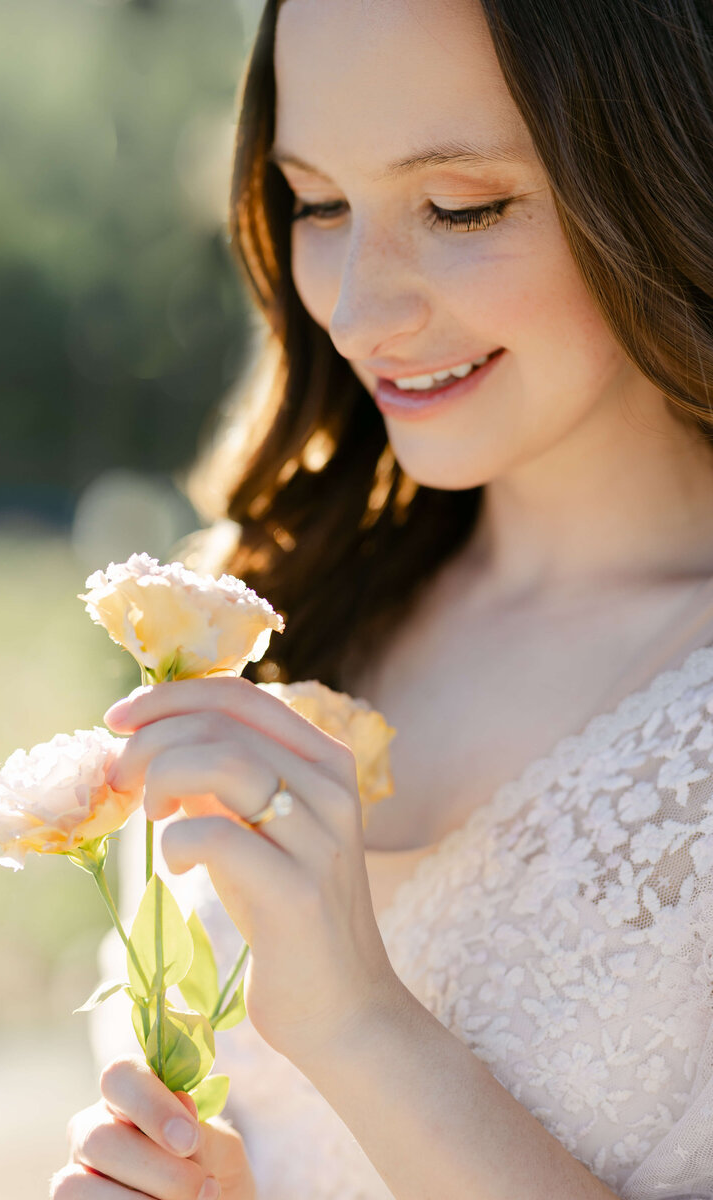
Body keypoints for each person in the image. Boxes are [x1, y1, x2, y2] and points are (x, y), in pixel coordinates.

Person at [50, 0, 713, 1197]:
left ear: (664, 161)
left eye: (460, 208)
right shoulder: (291, 605)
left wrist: (358, 1022)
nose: (356, 308)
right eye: (316, 203)